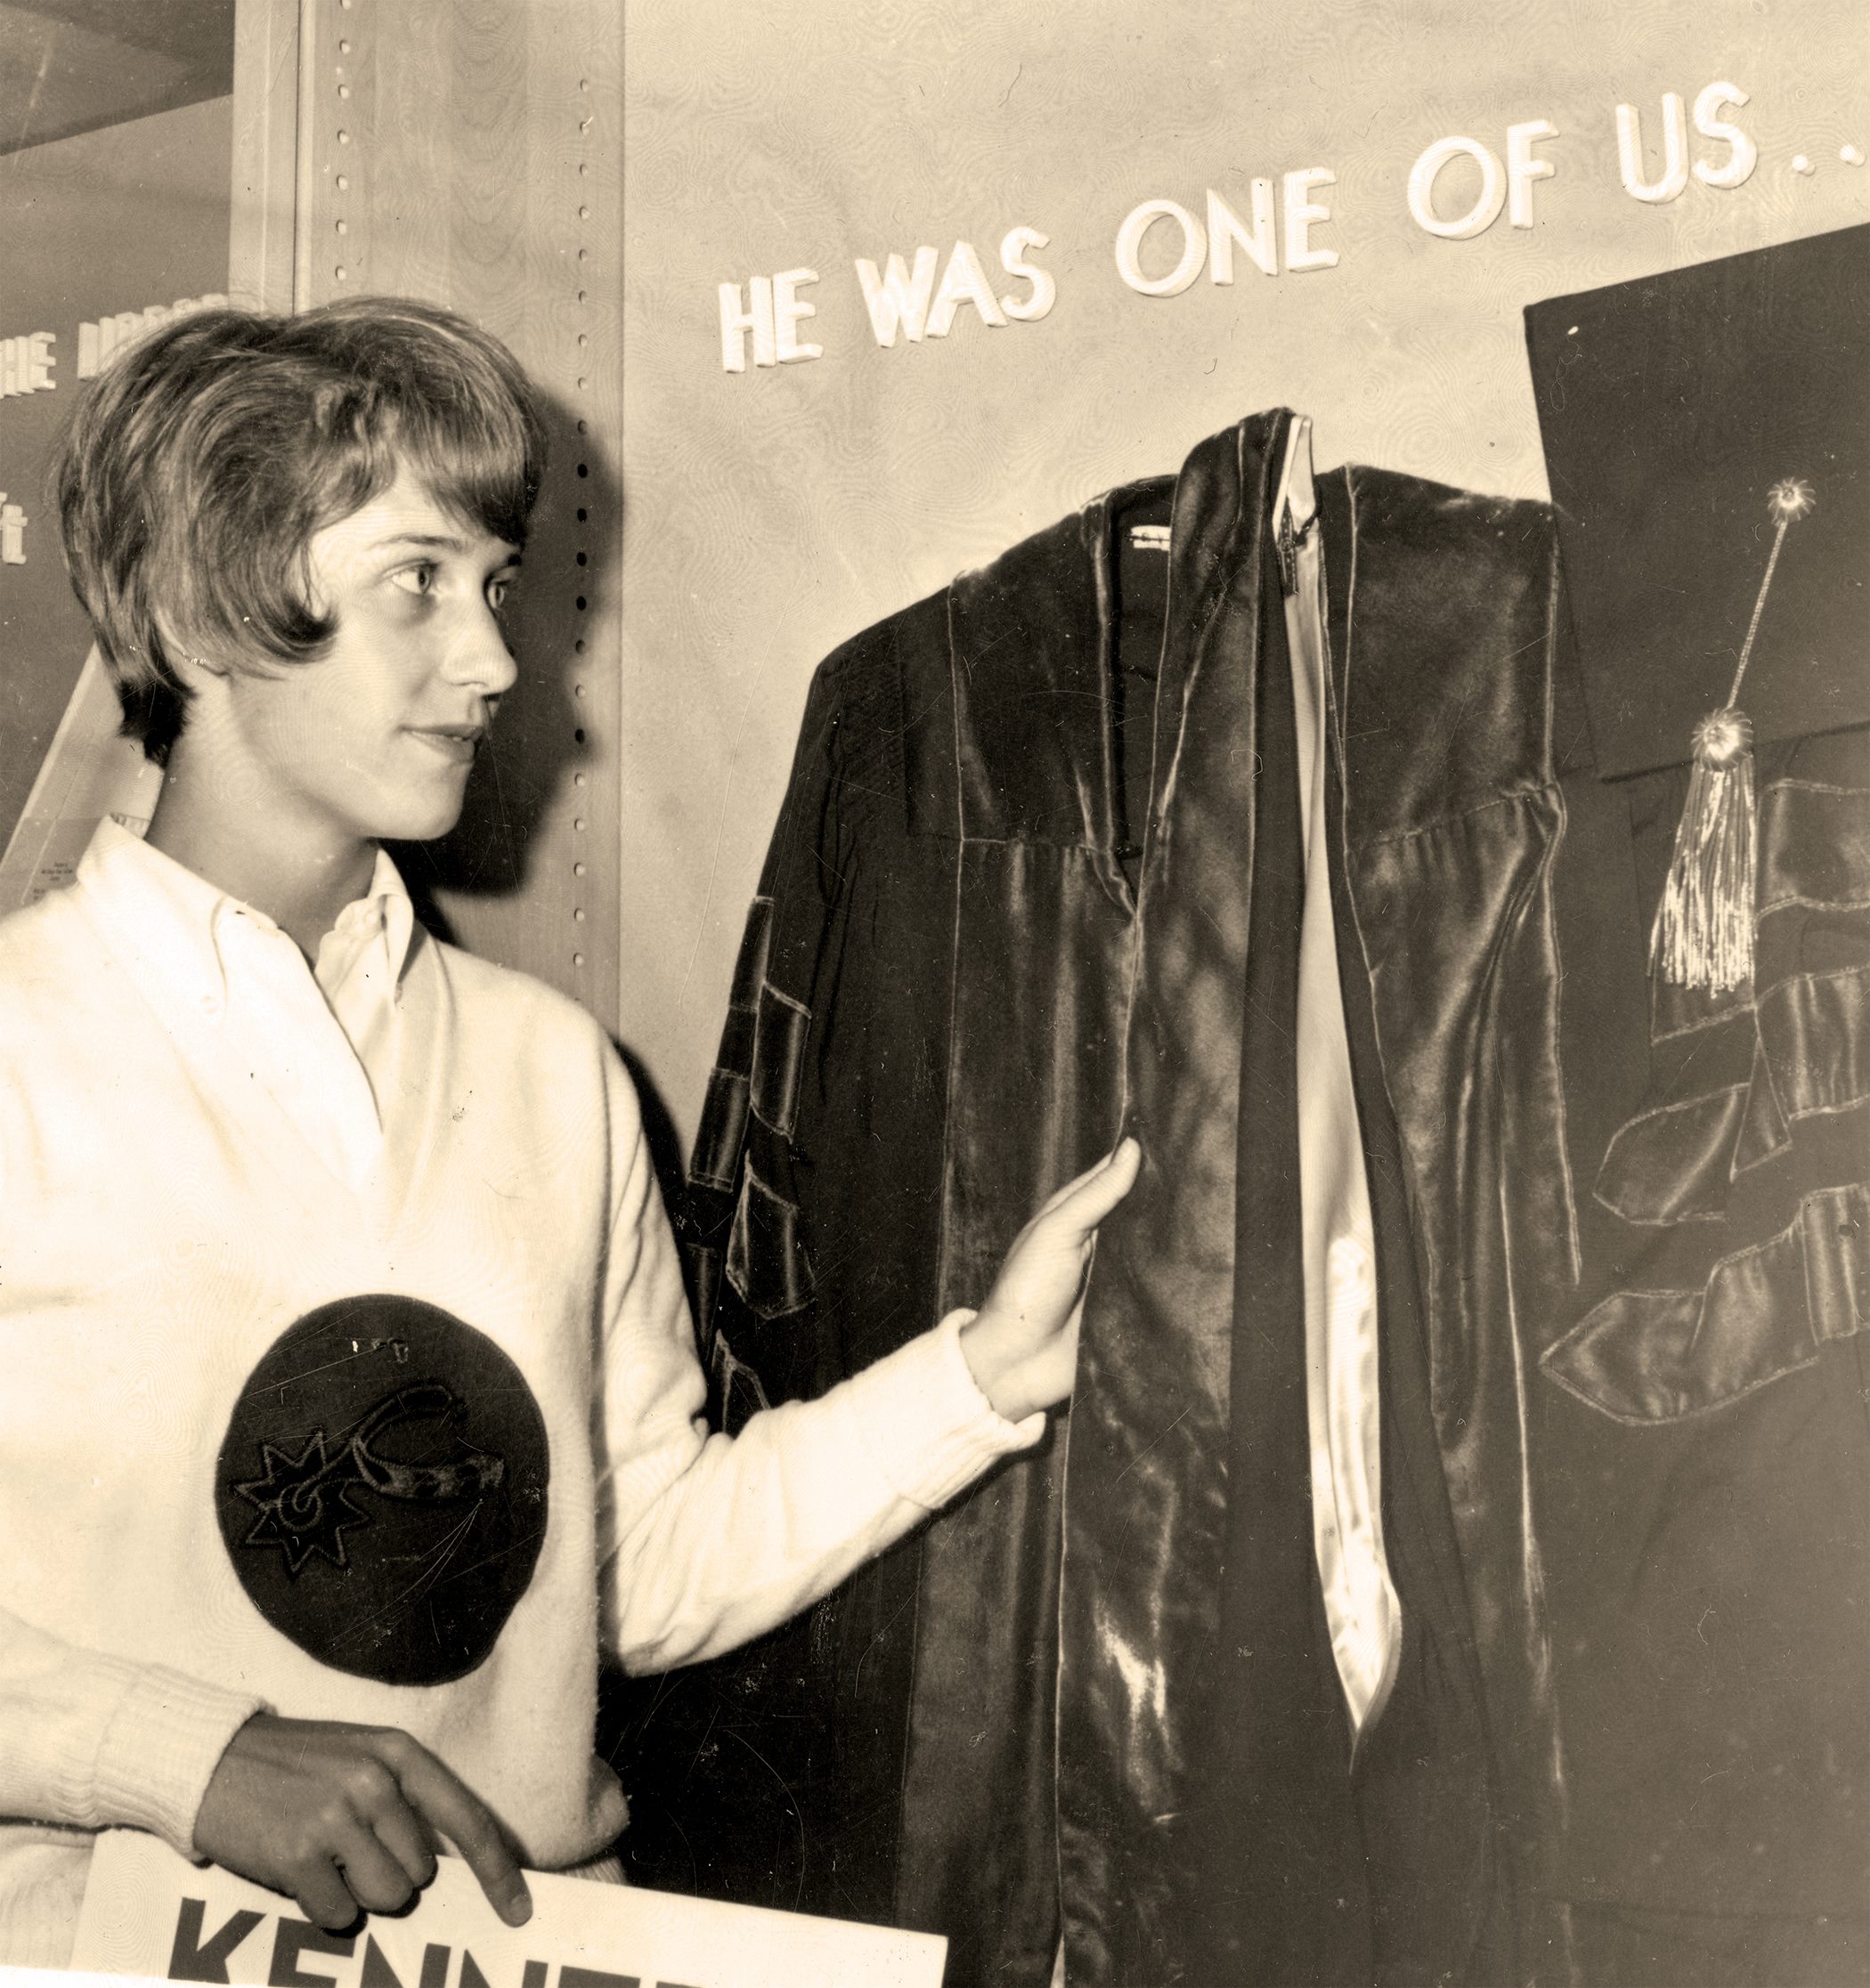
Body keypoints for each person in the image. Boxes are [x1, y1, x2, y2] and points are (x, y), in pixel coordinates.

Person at [0, 296, 1139, 1969]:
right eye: (418, 584)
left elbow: (646, 1563)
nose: (496, 663)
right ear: (199, 607)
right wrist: (189, 1757)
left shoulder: (551, 1068)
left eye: (497, 588)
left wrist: (984, 1379)